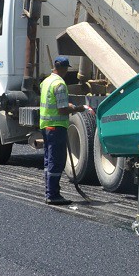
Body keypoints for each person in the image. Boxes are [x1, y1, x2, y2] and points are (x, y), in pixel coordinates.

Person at [38, 55, 85, 205]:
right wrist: (77, 108)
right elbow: (62, 109)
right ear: (64, 69)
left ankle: (49, 191)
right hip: (56, 127)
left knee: (48, 160)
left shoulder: (46, 82)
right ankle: (52, 194)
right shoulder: (60, 84)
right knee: (56, 161)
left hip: (45, 126)